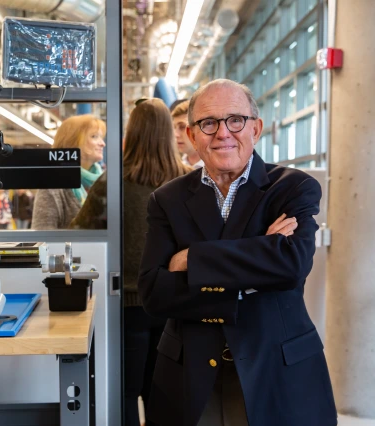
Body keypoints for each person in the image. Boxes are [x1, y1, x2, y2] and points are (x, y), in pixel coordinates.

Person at [138, 79, 336, 426]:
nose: (223, 133)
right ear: (192, 134)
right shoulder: (166, 200)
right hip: (190, 376)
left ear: (255, 128)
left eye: (236, 120)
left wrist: (192, 260)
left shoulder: (292, 188)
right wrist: (256, 265)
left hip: (277, 370)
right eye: (209, 123)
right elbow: (154, 292)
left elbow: (290, 267)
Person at [72, 99, 192, 426]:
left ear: (131, 133)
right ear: (168, 133)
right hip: (176, 304)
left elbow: (79, 232)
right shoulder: (188, 181)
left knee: (125, 392)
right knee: (164, 391)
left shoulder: (113, 183)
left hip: (126, 305)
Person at [31, 114, 106, 229]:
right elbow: (43, 235)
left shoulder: (104, 182)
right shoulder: (53, 185)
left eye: (101, 138)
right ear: (73, 142)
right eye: (94, 136)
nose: (102, 143)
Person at [171, 100, 203, 169]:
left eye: (182, 127)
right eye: (174, 127)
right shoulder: (175, 168)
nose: (176, 134)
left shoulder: (215, 168)